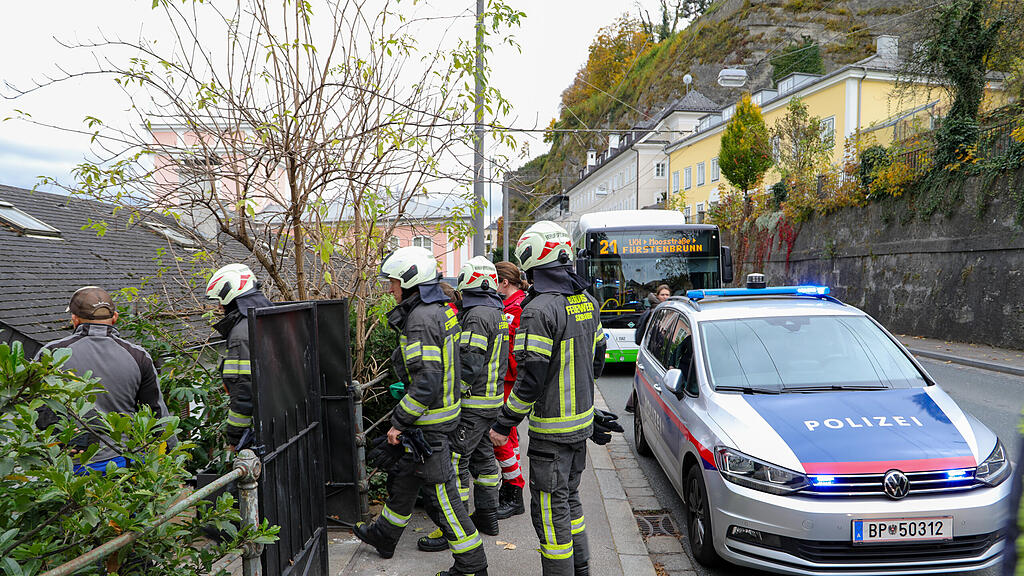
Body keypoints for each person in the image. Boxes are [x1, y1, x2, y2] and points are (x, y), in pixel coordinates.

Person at [354, 246, 487, 576]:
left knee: (443, 498)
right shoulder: (440, 309)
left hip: (430, 424)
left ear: (411, 282)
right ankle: (384, 535)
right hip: (440, 415)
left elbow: (427, 380)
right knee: (405, 477)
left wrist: (399, 421)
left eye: (394, 283)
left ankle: (472, 566)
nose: (390, 289)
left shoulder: (419, 320)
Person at [490, 221, 607, 576]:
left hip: (551, 436)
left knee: (549, 514)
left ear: (531, 259)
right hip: (580, 429)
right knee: (570, 502)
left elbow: (530, 380)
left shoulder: (539, 310)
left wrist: (503, 423)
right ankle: (582, 568)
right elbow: (598, 360)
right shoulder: (587, 300)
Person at [36, 286, 177, 475]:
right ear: (115, 317)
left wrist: (62, 436)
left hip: (70, 464)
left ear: (75, 319)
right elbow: (157, 412)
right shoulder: (138, 356)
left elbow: (37, 406)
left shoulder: (51, 354)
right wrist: (174, 457)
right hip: (124, 461)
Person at [419, 257, 508, 551]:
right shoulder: (495, 311)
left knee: (456, 463)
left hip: (473, 405)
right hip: (490, 403)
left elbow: (469, 364)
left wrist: (448, 394)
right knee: (484, 462)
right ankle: (486, 517)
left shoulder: (476, 316)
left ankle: (455, 529)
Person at [205, 263, 273, 450]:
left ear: (232, 295)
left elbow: (244, 391)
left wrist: (235, 440)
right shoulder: (268, 315)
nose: (219, 306)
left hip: (262, 433)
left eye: (221, 300)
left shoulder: (241, 333)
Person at [492, 261, 527, 519]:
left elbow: (513, 352)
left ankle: (514, 489)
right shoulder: (512, 306)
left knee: (498, 435)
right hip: (510, 380)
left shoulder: (514, 310)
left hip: (508, 381)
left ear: (504, 282)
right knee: (509, 436)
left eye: (495, 280)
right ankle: (510, 484)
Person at [625, 284, 671, 413]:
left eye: (667, 295)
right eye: (662, 295)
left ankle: (633, 403)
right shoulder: (656, 312)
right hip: (653, 350)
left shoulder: (665, 309)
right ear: (657, 296)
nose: (665, 297)